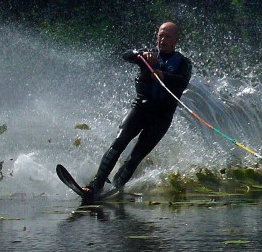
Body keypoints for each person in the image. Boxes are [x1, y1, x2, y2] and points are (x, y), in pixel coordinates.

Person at [82, 21, 192, 197]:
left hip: (162, 117)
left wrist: (164, 75)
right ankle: (96, 185)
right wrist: (140, 54)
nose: (163, 39)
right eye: (160, 35)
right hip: (141, 108)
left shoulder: (184, 63)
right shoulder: (148, 55)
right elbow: (127, 55)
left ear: (176, 40)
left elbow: (182, 81)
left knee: (135, 157)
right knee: (118, 143)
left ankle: (117, 186)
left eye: (168, 36)